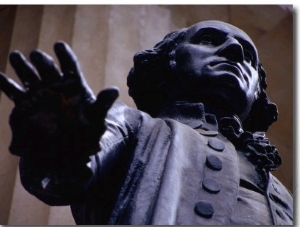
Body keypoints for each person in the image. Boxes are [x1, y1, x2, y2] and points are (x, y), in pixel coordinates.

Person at [0, 20, 293, 225]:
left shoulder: (282, 189)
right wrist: (61, 141)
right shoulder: (133, 124)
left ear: (257, 93)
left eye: (250, 58)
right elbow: (64, 176)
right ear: (170, 60)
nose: (235, 52)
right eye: (209, 40)